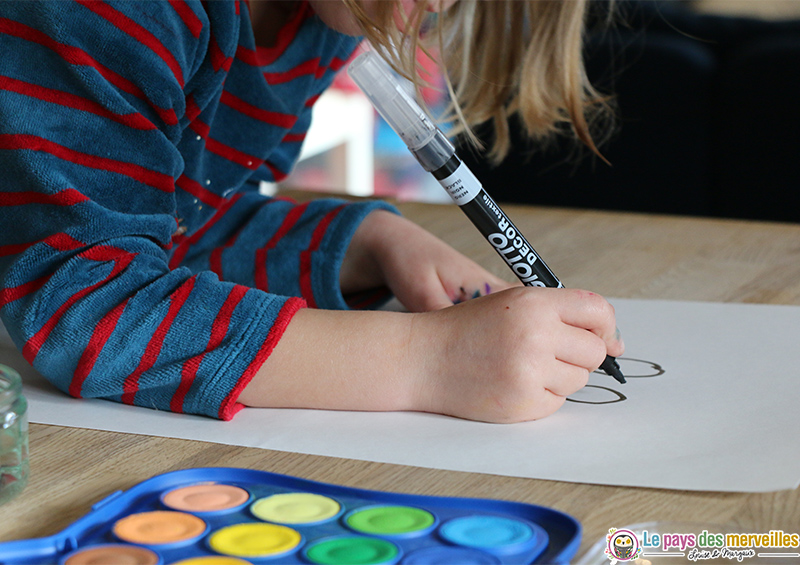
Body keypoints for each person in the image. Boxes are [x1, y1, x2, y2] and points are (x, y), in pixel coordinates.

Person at [0, 0, 623, 425]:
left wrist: (364, 243)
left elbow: (174, 224)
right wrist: (428, 359)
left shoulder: (325, 19)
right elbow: (80, 304)